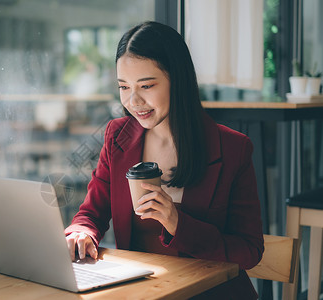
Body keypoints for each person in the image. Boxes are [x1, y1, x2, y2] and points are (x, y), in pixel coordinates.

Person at [64, 21, 264, 299]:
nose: (133, 101)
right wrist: (81, 232)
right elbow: (91, 213)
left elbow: (250, 251)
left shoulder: (233, 149)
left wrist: (177, 223)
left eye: (146, 86)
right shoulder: (117, 137)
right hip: (143, 293)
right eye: (124, 87)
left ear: (177, 80)